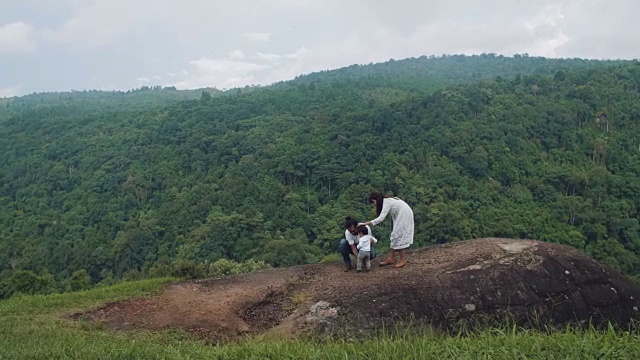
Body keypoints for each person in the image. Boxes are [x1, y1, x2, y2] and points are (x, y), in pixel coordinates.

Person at [359, 192, 414, 268]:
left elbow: (381, 218)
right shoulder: (387, 201)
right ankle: (391, 258)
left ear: (376, 200)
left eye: (373, 202)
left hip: (404, 214)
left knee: (398, 235)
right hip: (400, 215)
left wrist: (366, 223)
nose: (374, 204)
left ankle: (402, 260)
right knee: (394, 235)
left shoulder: (386, 202)